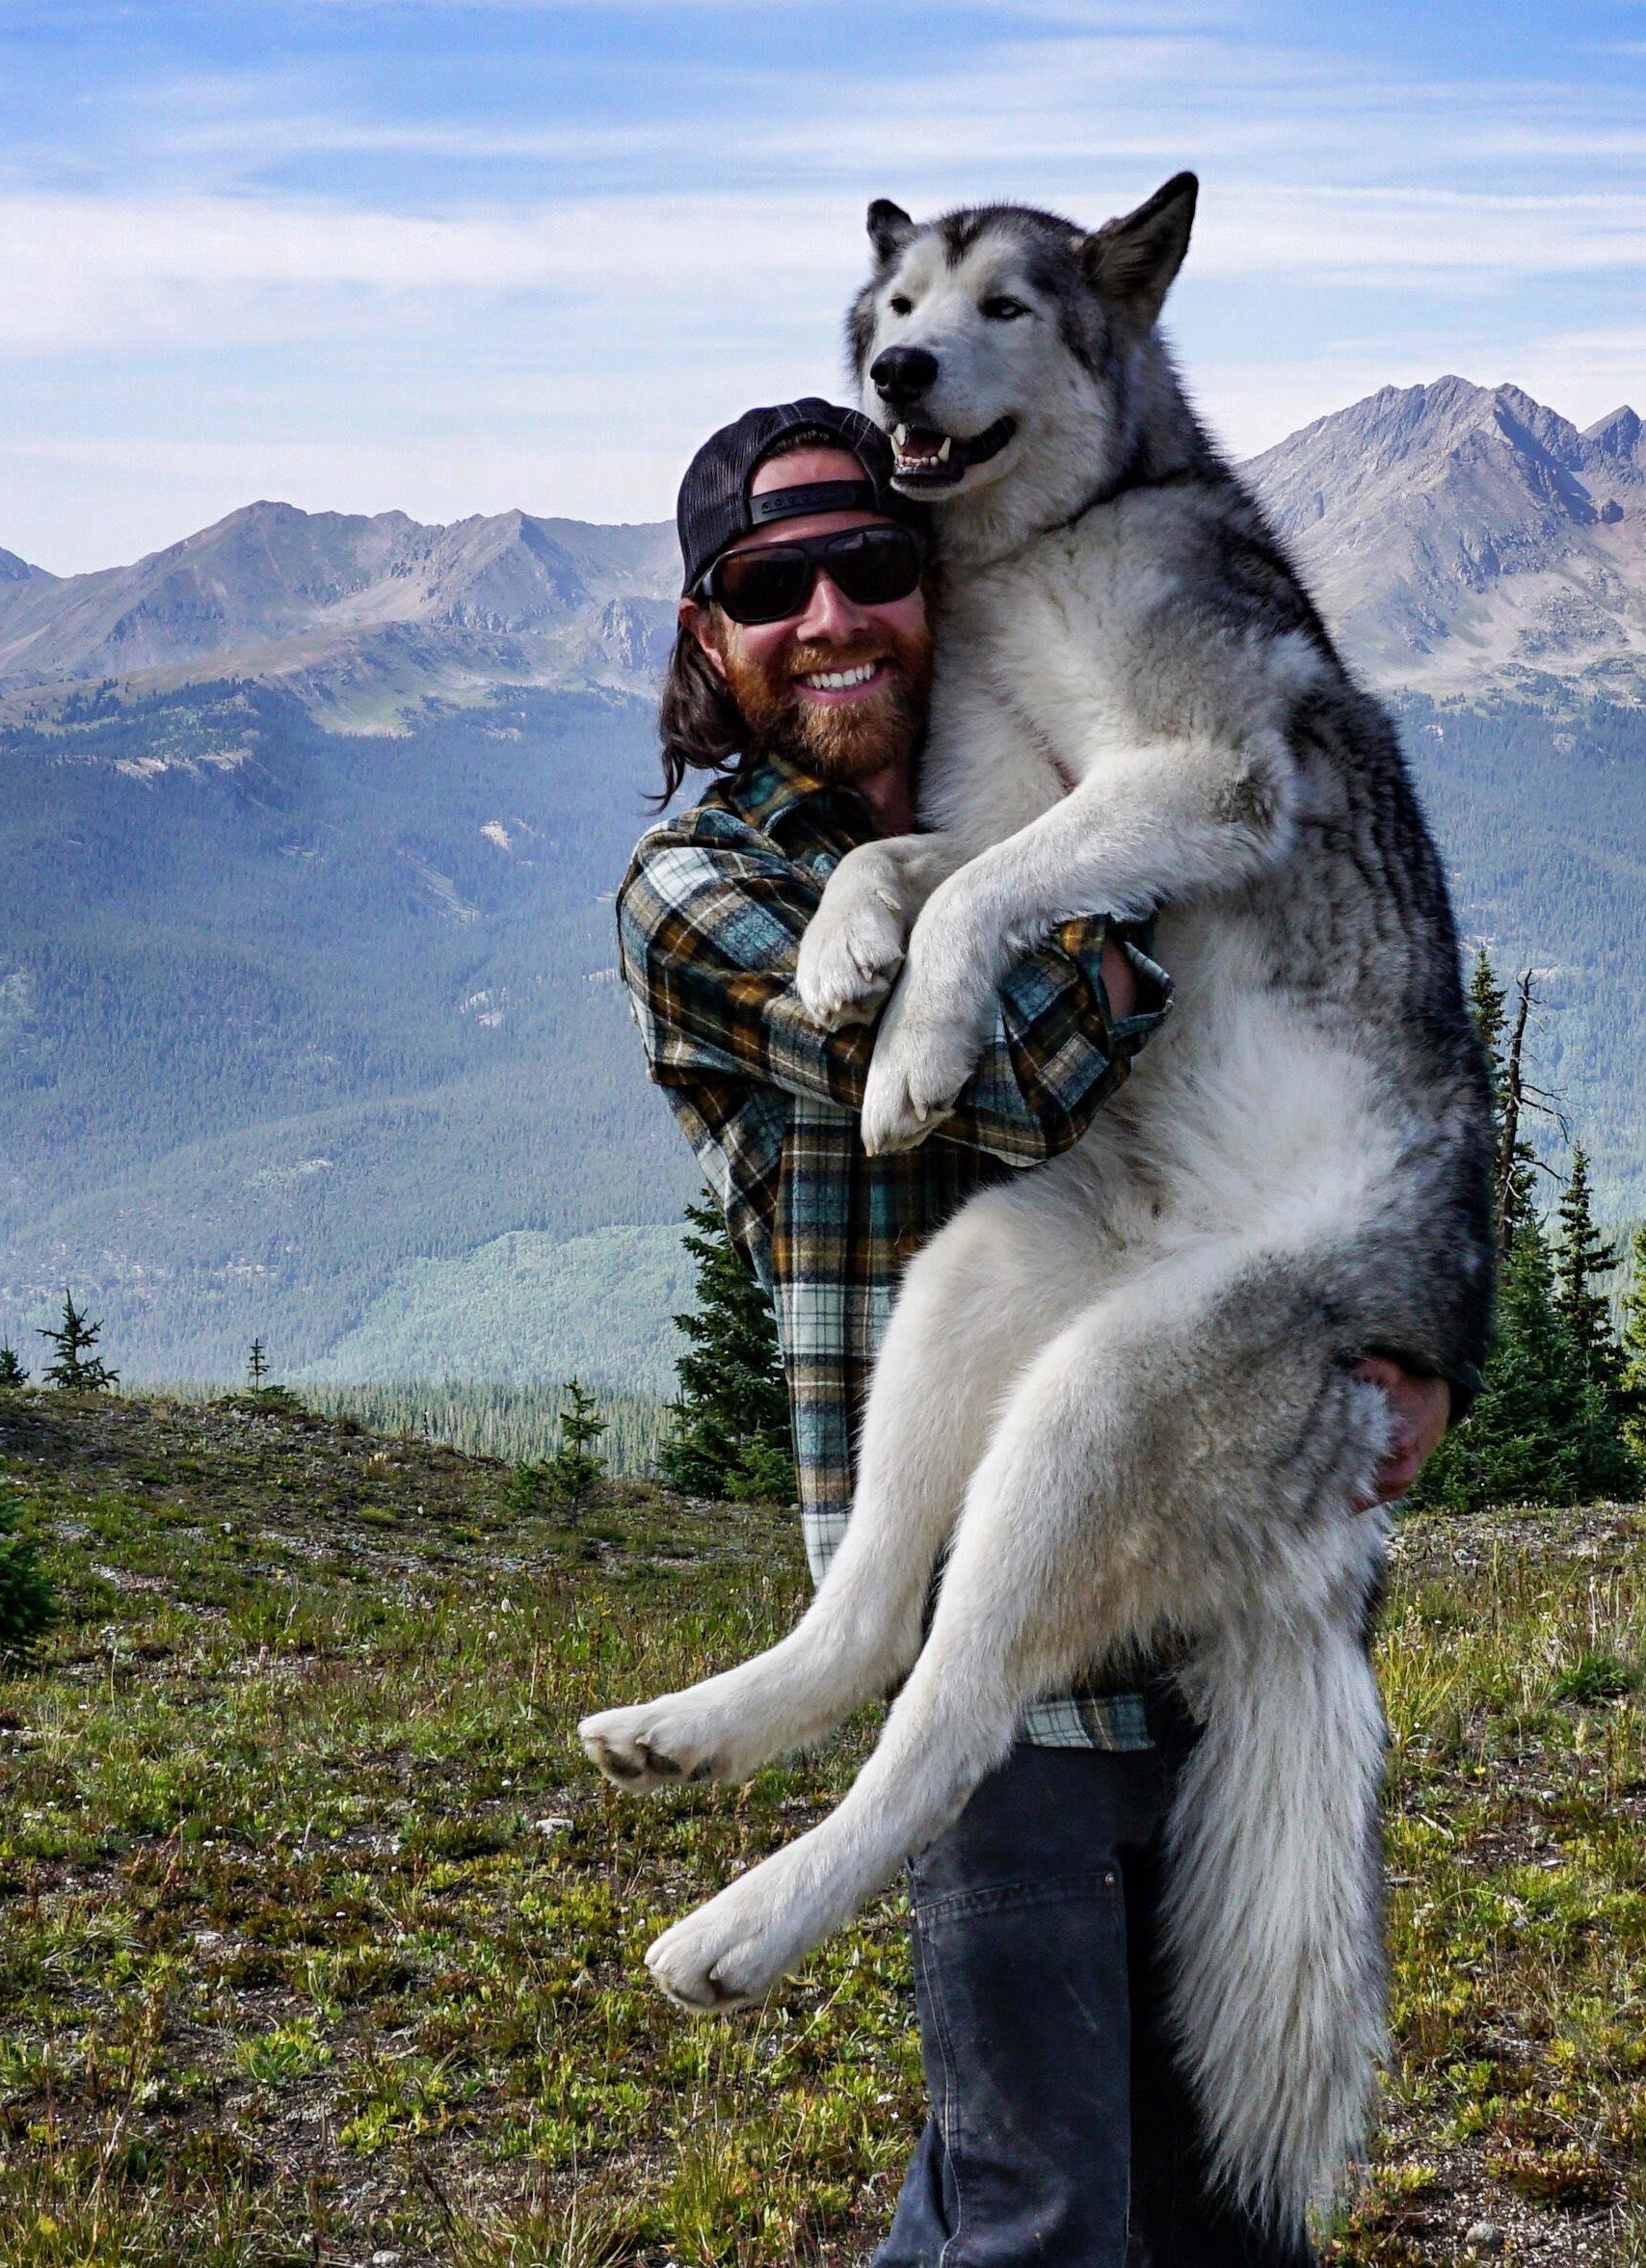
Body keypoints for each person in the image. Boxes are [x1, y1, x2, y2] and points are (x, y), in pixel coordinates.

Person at [618, 399, 1452, 2266]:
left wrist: (1417, 1343)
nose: (834, 614)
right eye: (773, 586)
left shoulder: (1015, 793)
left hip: (1224, 1562)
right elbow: (1014, 1072)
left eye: (878, 567)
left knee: (1224, 2210)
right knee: (1047, 2214)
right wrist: (1075, 843)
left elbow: (1353, 1046)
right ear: (708, 637)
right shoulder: (706, 889)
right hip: (1000, 1668)